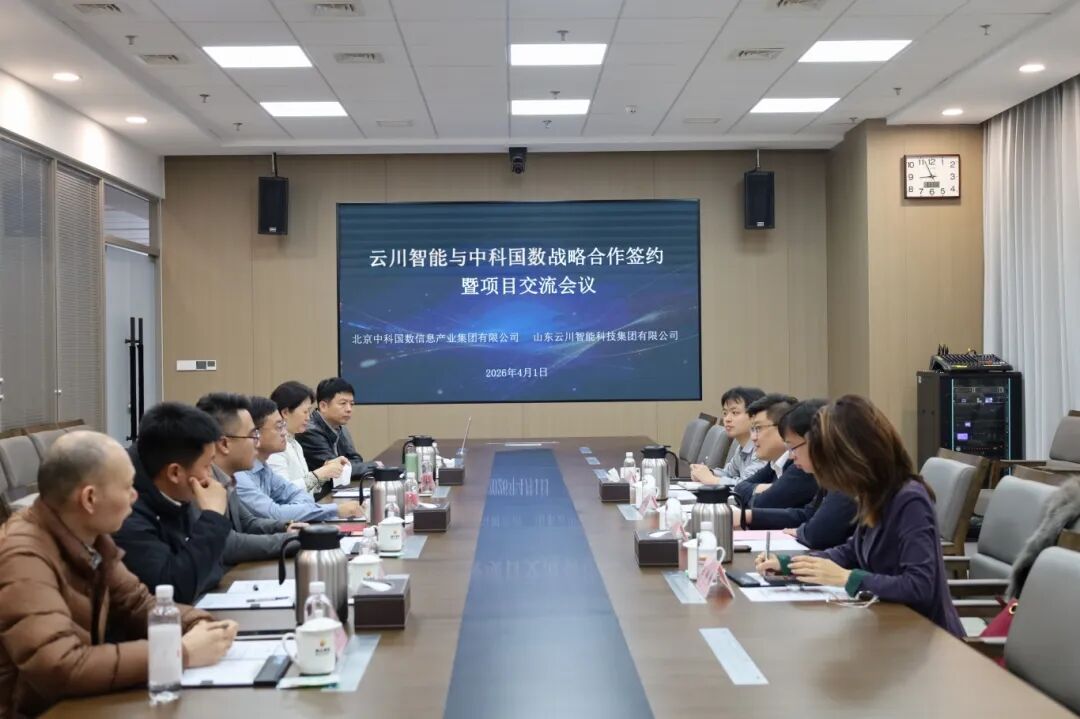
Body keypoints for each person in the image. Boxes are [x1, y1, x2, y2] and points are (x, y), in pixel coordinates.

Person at [0, 432, 236, 717]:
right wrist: (177, 652)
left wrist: (199, 625)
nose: (135, 496)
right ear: (90, 498)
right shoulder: (23, 556)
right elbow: (60, 665)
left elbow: (139, 605)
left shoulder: (92, 539)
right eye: (127, 487)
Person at [755, 395, 965, 637]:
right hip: (887, 626)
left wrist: (848, 578)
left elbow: (919, 586)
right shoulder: (871, 492)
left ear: (847, 453)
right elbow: (853, 551)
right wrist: (791, 565)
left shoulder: (909, 499)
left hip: (925, 637)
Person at [114, 402, 235, 603]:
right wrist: (213, 518)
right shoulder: (125, 513)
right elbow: (173, 592)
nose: (211, 475)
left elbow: (213, 570)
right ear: (175, 473)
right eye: (207, 466)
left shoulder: (174, 492)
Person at [739, 399, 858, 550]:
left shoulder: (849, 479)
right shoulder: (831, 474)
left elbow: (817, 533)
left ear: (816, 441)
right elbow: (809, 515)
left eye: (793, 447)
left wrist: (802, 531)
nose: (790, 456)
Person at [194, 393, 296, 565]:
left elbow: (247, 522)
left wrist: (285, 527)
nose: (258, 442)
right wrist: (293, 540)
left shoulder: (227, 477)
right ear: (224, 444)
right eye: (253, 435)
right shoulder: (201, 482)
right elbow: (228, 544)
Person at [235, 396, 364, 522]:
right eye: (279, 427)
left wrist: (299, 509)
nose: (284, 433)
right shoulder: (239, 475)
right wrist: (335, 510)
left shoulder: (265, 468)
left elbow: (298, 494)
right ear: (255, 433)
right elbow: (274, 513)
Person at [731, 393, 816, 512]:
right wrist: (767, 488)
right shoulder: (775, 463)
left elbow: (760, 504)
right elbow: (739, 488)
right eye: (753, 429)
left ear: (783, 428)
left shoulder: (801, 465)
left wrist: (768, 491)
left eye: (758, 428)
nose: (753, 437)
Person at [267, 380, 347, 496]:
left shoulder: (295, 444)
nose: (308, 418)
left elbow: (306, 490)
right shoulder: (273, 448)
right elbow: (283, 492)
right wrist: (320, 473)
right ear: (285, 412)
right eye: (305, 412)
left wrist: (326, 472)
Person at [296, 377, 379, 480]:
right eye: (343, 403)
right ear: (323, 406)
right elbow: (334, 469)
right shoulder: (309, 431)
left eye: (351, 404)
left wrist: (352, 467)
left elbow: (356, 459)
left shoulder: (340, 426)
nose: (349, 409)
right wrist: (376, 466)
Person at [689, 386, 767, 486]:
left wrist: (712, 480)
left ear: (755, 416)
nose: (727, 419)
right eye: (725, 413)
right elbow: (729, 473)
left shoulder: (763, 447)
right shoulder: (742, 446)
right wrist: (708, 473)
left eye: (735, 413)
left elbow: (748, 486)